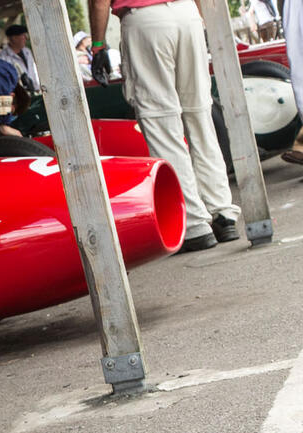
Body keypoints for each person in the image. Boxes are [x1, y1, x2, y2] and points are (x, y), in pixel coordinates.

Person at [90, 0, 241, 250]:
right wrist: (199, 21)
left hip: (146, 20)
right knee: (200, 118)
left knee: (162, 126)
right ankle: (223, 213)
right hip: (187, 14)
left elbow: (99, 2)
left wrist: (97, 46)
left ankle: (194, 224)